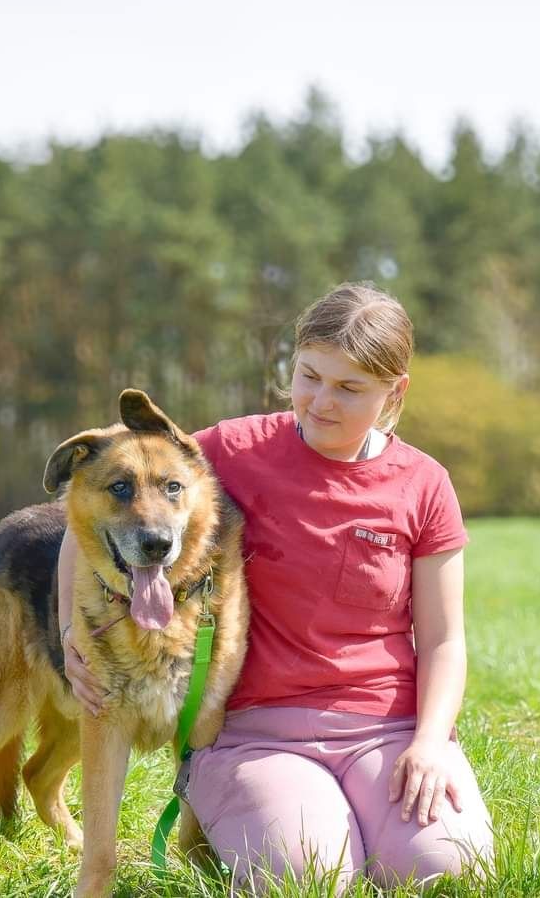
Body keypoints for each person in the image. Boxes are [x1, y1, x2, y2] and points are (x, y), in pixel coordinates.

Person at [57, 283, 494, 890]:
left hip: (387, 729)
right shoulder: (227, 450)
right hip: (254, 733)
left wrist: (429, 744)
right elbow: (89, 511)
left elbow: (445, 642)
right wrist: (70, 631)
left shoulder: (424, 483)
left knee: (448, 873)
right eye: (309, 375)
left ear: (395, 392)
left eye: (349, 388)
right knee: (304, 879)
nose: (320, 402)